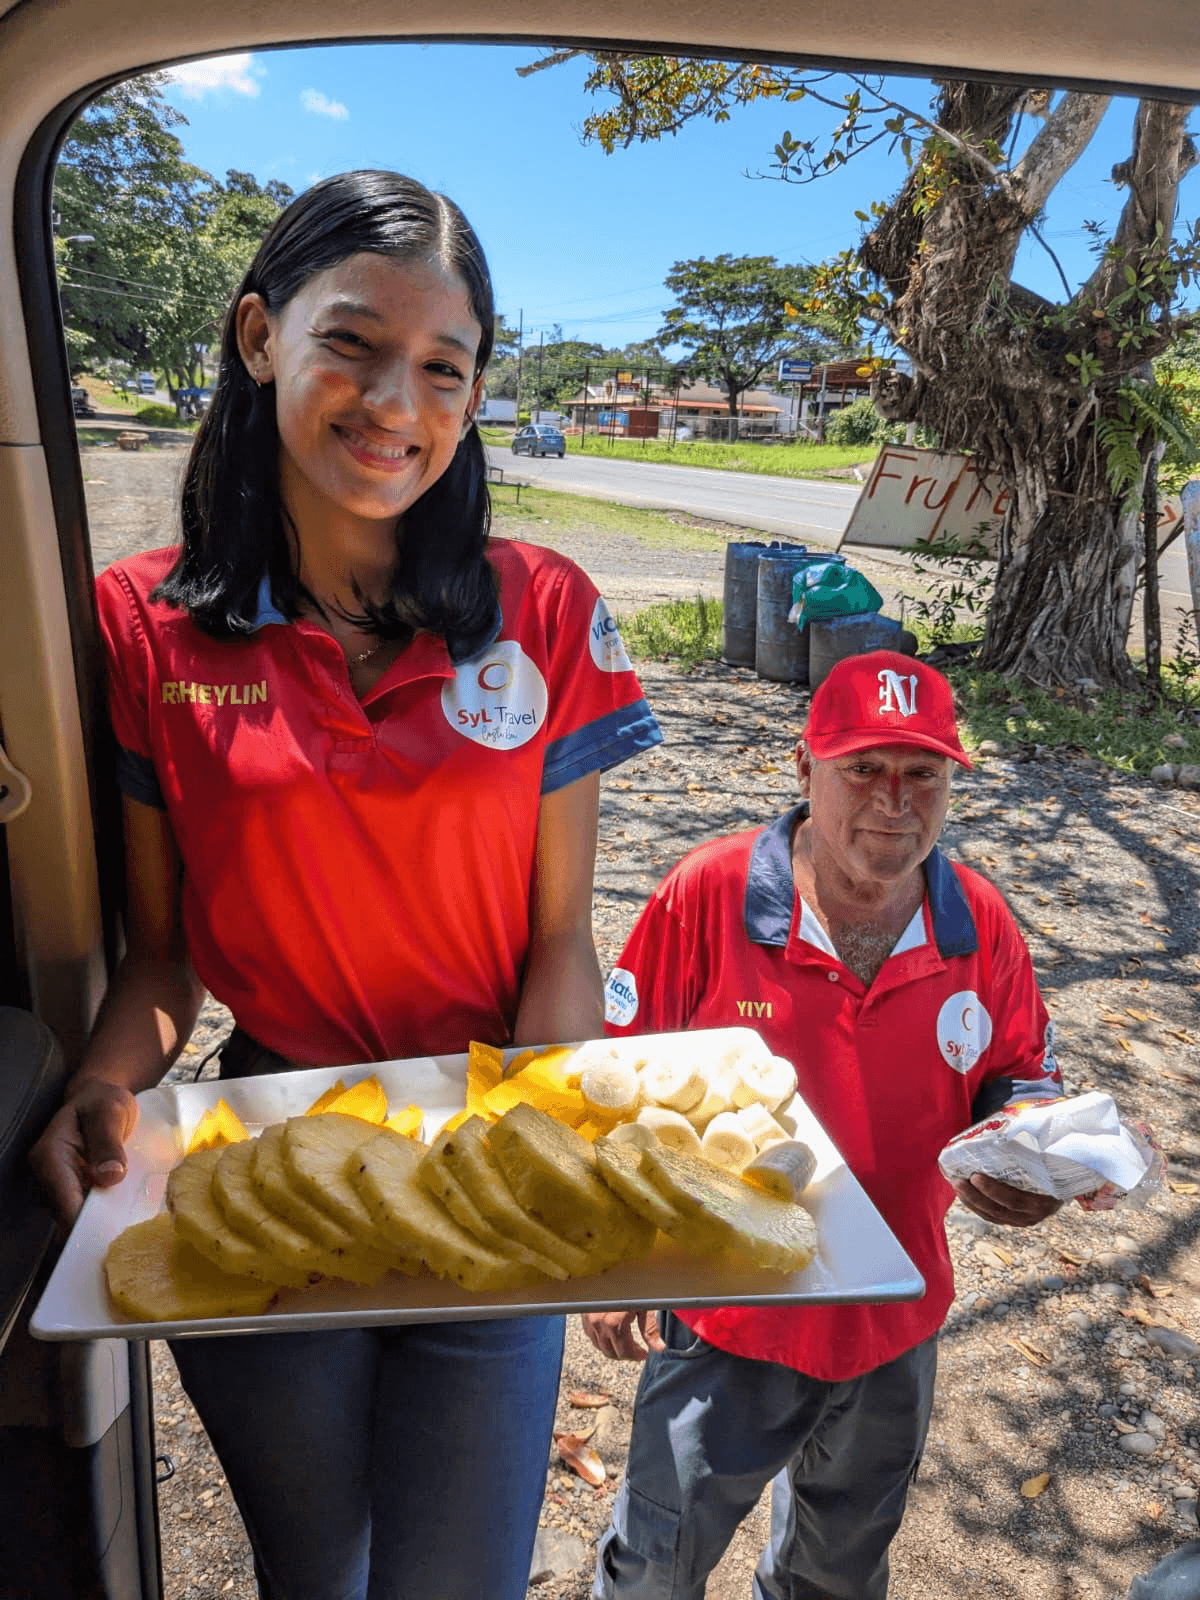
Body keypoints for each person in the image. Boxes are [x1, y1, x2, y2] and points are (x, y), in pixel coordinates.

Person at [29, 170, 662, 1600]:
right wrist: (104, 1085)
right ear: (261, 337)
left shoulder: (545, 607)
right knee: (317, 1574)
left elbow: (560, 940)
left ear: (477, 396)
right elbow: (163, 958)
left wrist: (561, 1152)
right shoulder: (146, 626)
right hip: (264, 1145)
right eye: (354, 344)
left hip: (487, 1150)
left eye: (444, 367)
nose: (396, 403)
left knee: (458, 1582)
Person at [586, 649, 1062, 1600]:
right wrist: (620, 1258)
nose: (895, 801)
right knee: (654, 1563)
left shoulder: (978, 923)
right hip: (728, 1313)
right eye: (864, 769)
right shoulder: (710, 893)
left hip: (894, 1316)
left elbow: (1022, 1078)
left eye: (923, 773)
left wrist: (1034, 1159)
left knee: (837, 1572)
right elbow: (615, 1085)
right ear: (805, 768)